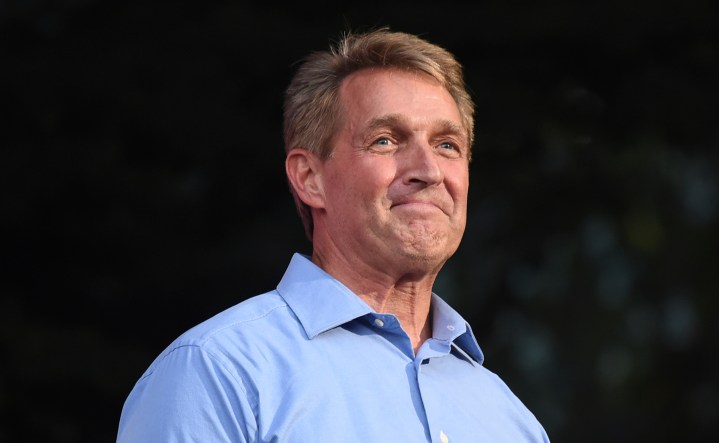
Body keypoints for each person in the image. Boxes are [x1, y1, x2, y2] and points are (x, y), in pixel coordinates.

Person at [117, 28, 550, 443]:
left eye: (447, 145)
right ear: (309, 178)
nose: (429, 170)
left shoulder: (511, 420)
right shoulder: (217, 372)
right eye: (385, 140)